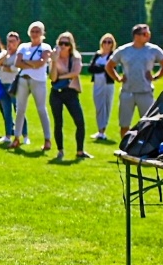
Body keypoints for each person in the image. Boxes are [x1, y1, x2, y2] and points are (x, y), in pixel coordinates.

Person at [112, 23, 163, 136]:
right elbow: (109, 65)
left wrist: (156, 76)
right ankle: (125, 148)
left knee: (149, 123)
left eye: (148, 33)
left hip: (145, 92)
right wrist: (118, 78)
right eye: (145, 34)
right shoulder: (123, 50)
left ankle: (145, 148)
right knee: (124, 124)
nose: (148, 36)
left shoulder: (153, 49)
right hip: (127, 92)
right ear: (136, 36)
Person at [47, 32, 90, 161]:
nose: (63, 46)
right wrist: (54, 62)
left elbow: (75, 73)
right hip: (56, 93)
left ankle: (80, 151)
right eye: (61, 43)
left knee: (80, 122)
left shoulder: (75, 57)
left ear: (71, 45)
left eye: (66, 44)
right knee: (58, 122)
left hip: (70, 92)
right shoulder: (54, 58)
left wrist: (61, 77)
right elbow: (52, 77)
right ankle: (60, 151)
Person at [11, 22, 53, 151]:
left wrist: (27, 62)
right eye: (33, 31)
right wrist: (32, 64)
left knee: (41, 109)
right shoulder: (23, 47)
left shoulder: (45, 47)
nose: (35, 34)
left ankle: (47, 139)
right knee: (20, 109)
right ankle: (17, 137)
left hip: (38, 80)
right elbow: (17, 63)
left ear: (42, 33)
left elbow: (41, 63)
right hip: (23, 80)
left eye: (37, 31)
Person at [88, 33, 117, 141]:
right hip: (97, 83)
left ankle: (102, 131)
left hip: (108, 84)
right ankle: (100, 129)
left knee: (107, 106)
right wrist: (103, 68)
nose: (106, 44)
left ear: (112, 44)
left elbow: (111, 69)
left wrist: (101, 68)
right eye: (105, 41)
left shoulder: (113, 56)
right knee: (98, 106)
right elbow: (91, 68)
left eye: (109, 42)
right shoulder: (97, 55)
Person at [0, 32, 19, 144]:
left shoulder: (19, 54)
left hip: (15, 85)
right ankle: (8, 135)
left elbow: (15, 69)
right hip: (3, 84)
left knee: (19, 111)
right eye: (8, 41)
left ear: (18, 42)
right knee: (6, 112)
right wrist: (5, 55)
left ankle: (23, 135)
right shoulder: (4, 53)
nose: (10, 43)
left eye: (13, 41)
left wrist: (4, 66)